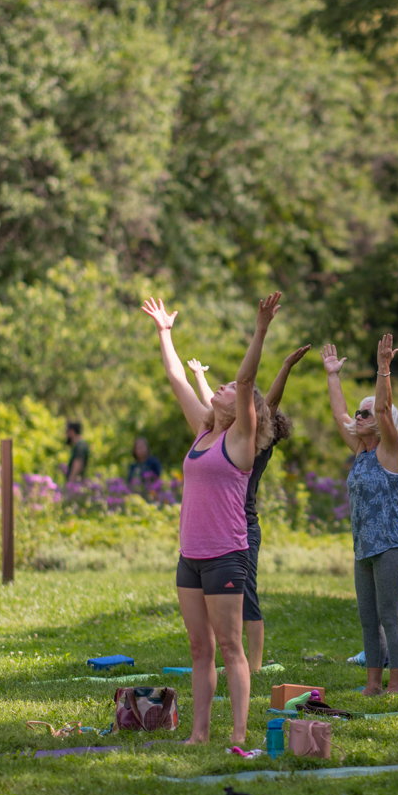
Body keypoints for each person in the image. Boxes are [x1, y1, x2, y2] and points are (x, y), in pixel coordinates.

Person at [141, 292, 281, 744]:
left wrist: (260, 330)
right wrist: (165, 333)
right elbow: (176, 375)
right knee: (199, 649)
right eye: (216, 388)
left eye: (226, 389)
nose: (219, 387)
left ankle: (238, 736)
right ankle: (199, 735)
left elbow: (244, 382)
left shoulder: (241, 440)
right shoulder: (203, 431)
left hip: (226, 556)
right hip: (191, 556)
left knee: (230, 648)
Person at [192, 347, 313, 676]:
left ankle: (255, 665)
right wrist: (200, 376)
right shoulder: (229, 435)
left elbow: (269, 401)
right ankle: (235, 658)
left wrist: (286, 365)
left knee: (248, 594)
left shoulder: (253, 443)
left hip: (242, 525)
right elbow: (214, 409)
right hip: (224, 525)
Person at [322, 335, 398, 695]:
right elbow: (337, 413)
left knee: (390, 614)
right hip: (364, 547)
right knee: (368, 619)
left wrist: (383, 370)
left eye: (364, 413)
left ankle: (397, 685)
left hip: (392, 545)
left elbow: (380, 408)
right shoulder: (360, 451)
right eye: (358, 412)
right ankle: (373, 684)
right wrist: (333, 375)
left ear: (381, 422)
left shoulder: (390, 451)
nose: (357, 417)